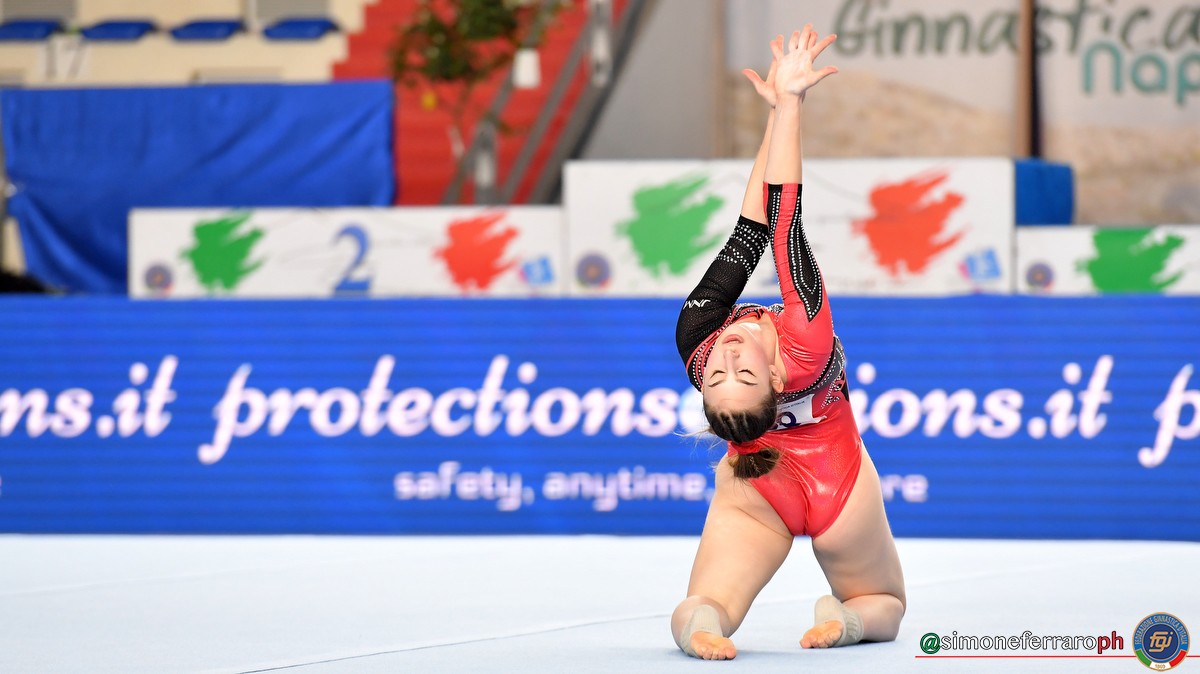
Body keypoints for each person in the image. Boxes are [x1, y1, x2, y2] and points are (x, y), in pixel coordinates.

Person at [671, 25, 906, 660]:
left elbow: (748, 233)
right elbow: (783, 227)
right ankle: (843, 620)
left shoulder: (697, 339)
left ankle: (708, 627)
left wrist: (777, 115)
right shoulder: (803, 342)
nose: (725, 359)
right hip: (838, 482)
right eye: (741, 374)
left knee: (707, 600)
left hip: (755, 489)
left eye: (715, 377)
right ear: (775, 381)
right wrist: (793, 103)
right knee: (884, 603)